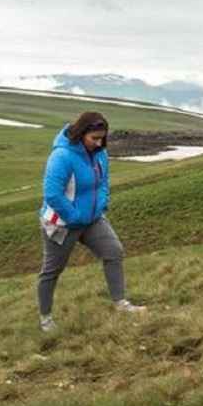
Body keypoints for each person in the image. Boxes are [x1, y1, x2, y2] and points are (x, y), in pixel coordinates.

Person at [37, 111, 145, 332]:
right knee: (52, 270)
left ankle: (120, 303)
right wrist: (75, 217)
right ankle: (46, 319)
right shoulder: (62, 156)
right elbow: (52, 194)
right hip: (62, 223)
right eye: (94, 138)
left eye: (102, 138)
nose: (98, 143)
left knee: (114, 251)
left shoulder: (99, 153)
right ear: (81, 133)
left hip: (92, 219)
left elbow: (103, 181)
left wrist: (102, 201)